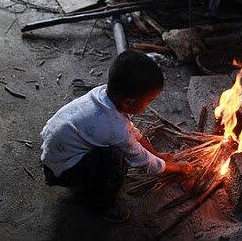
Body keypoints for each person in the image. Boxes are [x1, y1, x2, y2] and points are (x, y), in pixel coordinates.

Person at [41, 50, 192, 223]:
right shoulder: (115, 128)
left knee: (113, 149)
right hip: (61, 171)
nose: (150, 104)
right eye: (149, 100)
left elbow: (133, 133)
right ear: (128, 102)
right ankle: (101, 204)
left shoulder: (102, 94)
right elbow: (144, 162)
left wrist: (159, 155)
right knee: (115, 159)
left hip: (56, 153)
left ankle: (85, 180)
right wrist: (177, 168)